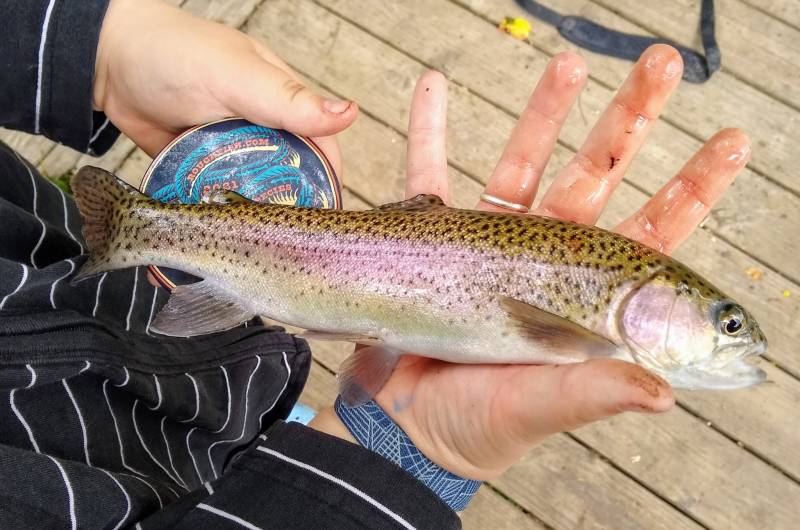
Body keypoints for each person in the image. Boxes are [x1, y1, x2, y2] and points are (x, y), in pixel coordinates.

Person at [0, 0, 751, 528]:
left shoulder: (596, 324)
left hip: (145, 322)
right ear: (656, 297)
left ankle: (274, 402)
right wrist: (400, 459)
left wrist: (94, 44)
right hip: (167, 438)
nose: (733, 341)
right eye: (726, 322)